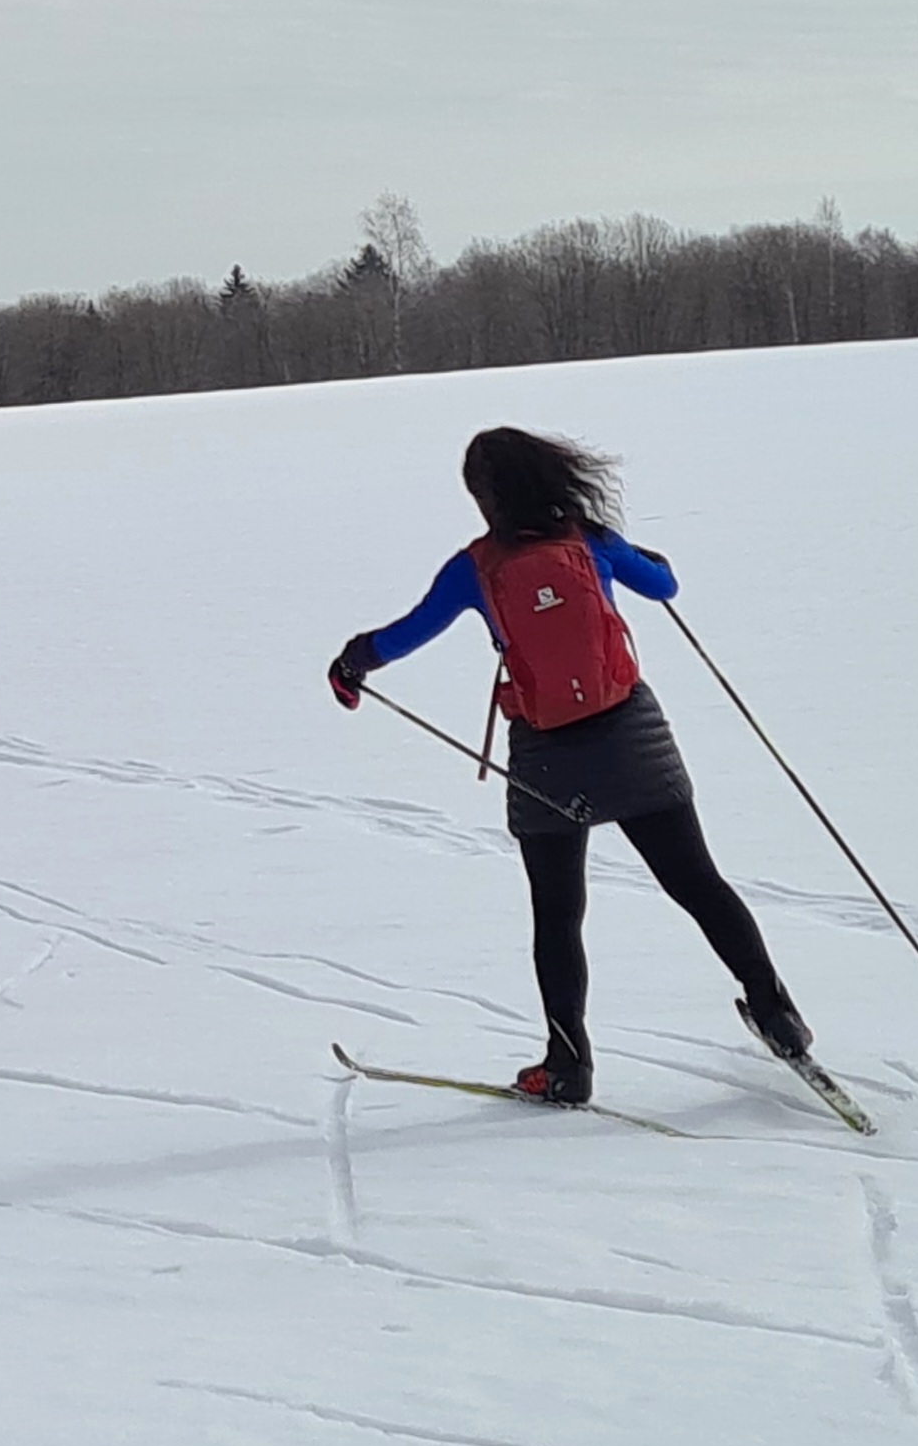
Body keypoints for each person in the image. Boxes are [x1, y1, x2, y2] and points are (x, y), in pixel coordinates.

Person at [326, 426, 810, 1108]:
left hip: (547, 758)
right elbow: (663, 584)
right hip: (632, 739)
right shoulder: (588, 541)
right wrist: (634, 554)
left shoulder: (475, 568)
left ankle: (566, 1065)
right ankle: (776, 1013)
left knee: (557, 916)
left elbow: (408, 632)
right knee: (697, 884)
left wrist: (352, 662)